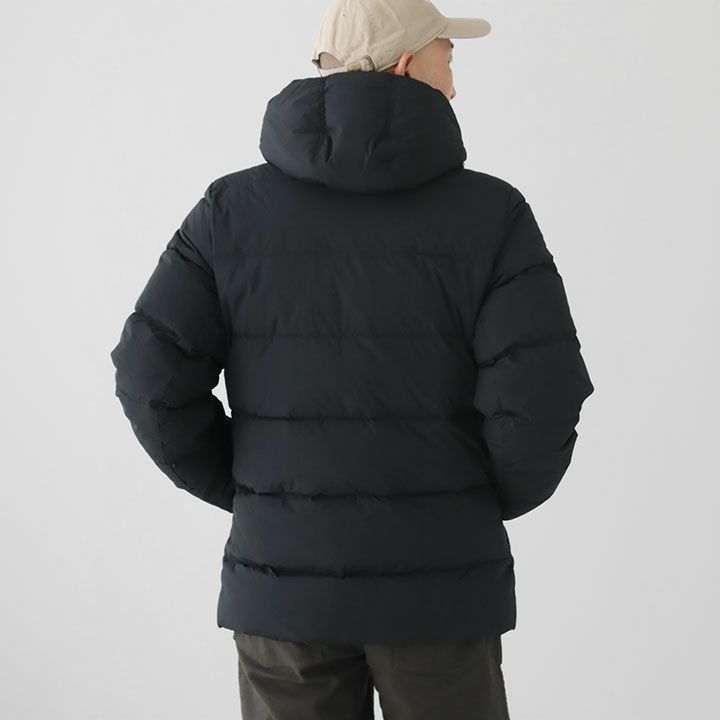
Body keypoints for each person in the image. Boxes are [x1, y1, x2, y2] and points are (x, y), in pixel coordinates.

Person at [109, 0, 594, 717]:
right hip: (440, 587)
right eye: (447, 55)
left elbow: (150, 376)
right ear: (407, 65)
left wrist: (256, 492)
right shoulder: (493, 215)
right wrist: (475, 505)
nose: (454, 78)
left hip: (284, 588)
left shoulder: (228, 211)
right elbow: (541, 394)